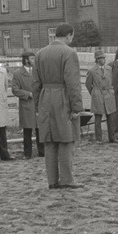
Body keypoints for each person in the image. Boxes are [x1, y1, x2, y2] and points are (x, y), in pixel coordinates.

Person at [33, 23, 86, 189]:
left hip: (45, 98)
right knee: (66, 139)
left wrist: (37, 106)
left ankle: (52, 180)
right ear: (69, 35)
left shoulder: (40, 53)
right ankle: (67, 179)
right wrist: (77, 107)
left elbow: (35, 83)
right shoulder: (69, 53)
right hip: (62, 98)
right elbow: (73, 83)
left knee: (49, 140)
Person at [11, 51, 44, 159]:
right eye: (32, 58)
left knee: (40, 129)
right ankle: (27, 153)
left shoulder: (38, 71)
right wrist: (28, 94)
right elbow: (15, 90)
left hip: (38, 103)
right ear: (26, 60)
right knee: (27, 130)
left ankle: (42, 152)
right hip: (26, 104)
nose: (34, 60)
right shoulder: (17, 73)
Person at [86, 49, 117, 144]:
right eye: (101, 58)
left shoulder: (109, 69)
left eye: (104, 58)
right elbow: (88, 84)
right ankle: (98, 139)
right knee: (98, 117)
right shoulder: (92, 71)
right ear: (97, 59)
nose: (103, 60)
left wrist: (111, 91)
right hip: (98, 95)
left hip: (108, 94)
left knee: (110, 116)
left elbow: (112, 81)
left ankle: (112, 137)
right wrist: (94, 93)